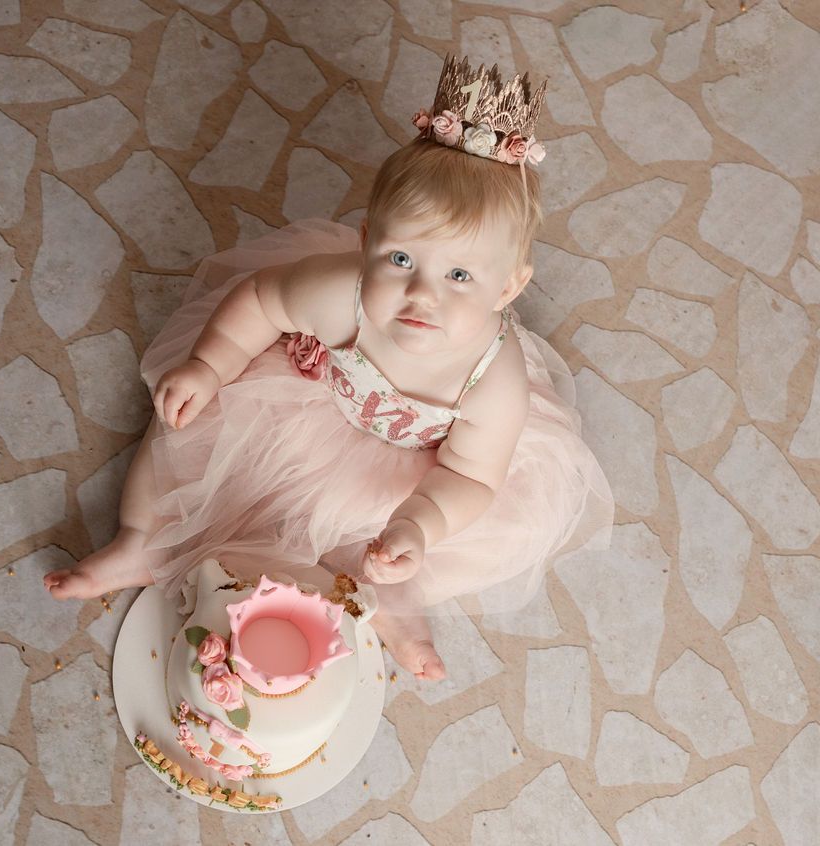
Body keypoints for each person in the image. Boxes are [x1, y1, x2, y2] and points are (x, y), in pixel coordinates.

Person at [45, 57, 613, 681]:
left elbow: (471, 477)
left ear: (508, 288)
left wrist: (418, 523)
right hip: (309, 400)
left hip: (421, 468)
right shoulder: (343, 293)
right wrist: (209, 364)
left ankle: (394, 608)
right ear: (367, 242)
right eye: (400, 259)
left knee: (393, 547)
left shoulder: (493, 381)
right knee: (188, 431)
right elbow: (262, 300)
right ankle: (138, 539)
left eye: (459, 276)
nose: (423, 295)